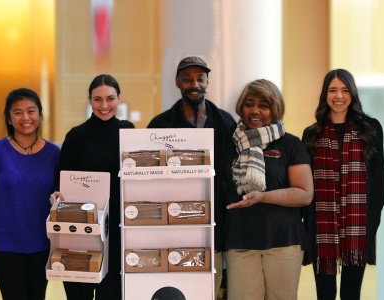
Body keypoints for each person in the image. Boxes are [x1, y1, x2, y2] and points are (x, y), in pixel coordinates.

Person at [147, 56, 237, 297]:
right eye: (187, 79)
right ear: (177, 82)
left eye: (200, 78)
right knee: (179, 289)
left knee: (212, 290)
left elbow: (233, 176)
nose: (194, 84)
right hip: (172, 225)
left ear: (208, 82)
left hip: (215, 226)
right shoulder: (159, 125)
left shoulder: (226, 122)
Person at [224, 79, 313, 300]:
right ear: (241, 107)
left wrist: (262, 197)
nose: (255, 111)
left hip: (283, 241)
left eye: (263, 105)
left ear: (275, 109)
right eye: (249, 104)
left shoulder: (290, 144)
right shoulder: (228, 144)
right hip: (240, 241)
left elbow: (304, 194)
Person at [302, 69, 384, 300]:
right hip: (322, 226)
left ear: (353, 94)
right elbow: (305, 184)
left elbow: (379, 180)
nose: (339, 96)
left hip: (358, 225)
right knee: (325, 294)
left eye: (344, 90)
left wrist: (372, 223)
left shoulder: (371, 129)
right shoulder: (311, 134)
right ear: (325, 95)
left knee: (351, 293)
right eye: (333, 90)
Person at [49, 74, 134, 300]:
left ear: (119, 99)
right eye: (97, 99)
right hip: (80, 231)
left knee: (113, 295)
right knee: (79, 294)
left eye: (110, 99)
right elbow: (61, 180)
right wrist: (56, 195)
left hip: (117, 232)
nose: (104, 106)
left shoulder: (129, 131)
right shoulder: (77, 136)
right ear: (89, 100)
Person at [0, 88, 60, 300]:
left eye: (31, 111)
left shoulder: (54, 154)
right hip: (7, 244)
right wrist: (2, 228)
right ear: (8, 117)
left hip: (42, 242)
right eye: (18, 112)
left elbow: (59, 196)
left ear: (40, 115)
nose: (25, 117)